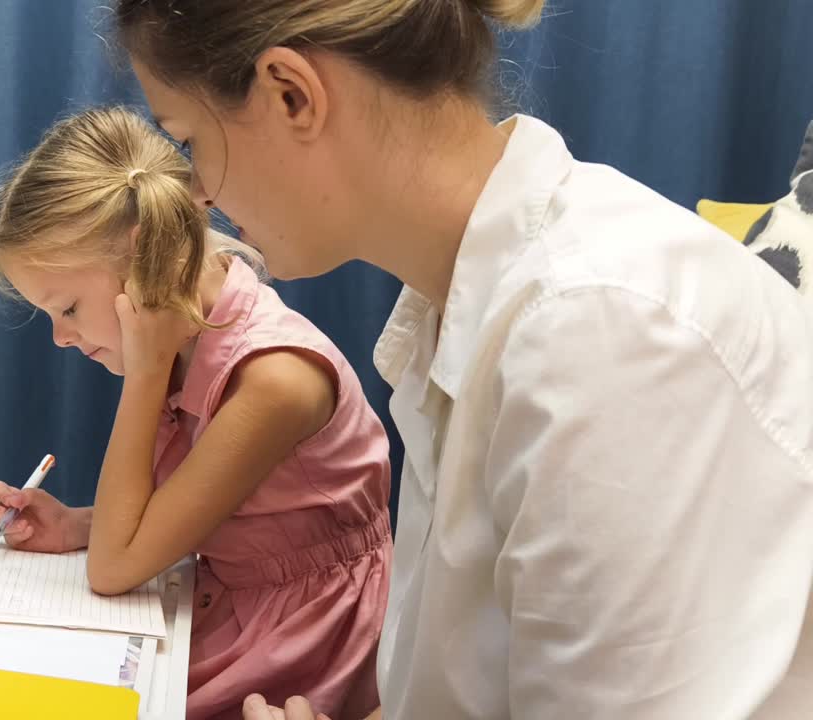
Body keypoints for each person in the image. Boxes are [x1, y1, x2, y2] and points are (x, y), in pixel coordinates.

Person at [110, 1, 813, 718]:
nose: (196, 192)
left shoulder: (601, 331)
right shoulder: (464, 312)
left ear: (292, 94)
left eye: (189, 140)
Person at [0, 107, 393, 719]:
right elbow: (209, 519)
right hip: (234, 600)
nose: (60, 339)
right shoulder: (191, 336)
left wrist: (144, 373)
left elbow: (114, 570)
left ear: (148, 265)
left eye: (66, 308)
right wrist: (74, 527)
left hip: (310, 640)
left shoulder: (276, 381)